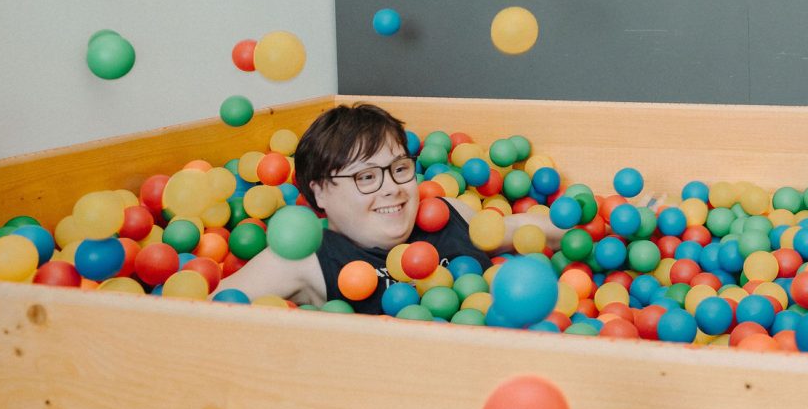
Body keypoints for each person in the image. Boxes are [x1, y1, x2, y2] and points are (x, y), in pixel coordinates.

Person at [216, 103, 559, 312]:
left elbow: (532, 231)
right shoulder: (306, 257)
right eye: (366, 177)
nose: (392, 188)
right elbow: (205, 314)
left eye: (399, 169)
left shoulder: (449, 215)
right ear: (320, 193)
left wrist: (584, 231)